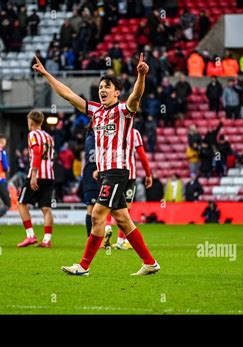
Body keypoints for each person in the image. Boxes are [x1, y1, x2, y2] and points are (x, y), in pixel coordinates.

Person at [32, 53, 159, 276]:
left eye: (107, 86)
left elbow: (136, 97)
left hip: (118, 171)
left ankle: (83, 266)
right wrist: (46, 75)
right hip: (106, 173)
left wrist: (141, 76)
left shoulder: (122, 111)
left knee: (98, 216)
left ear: (117, 92)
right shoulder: (95, 111)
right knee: (122, 219)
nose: (102, 89)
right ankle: (150, 262)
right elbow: (68, 95)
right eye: (101, 86)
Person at [17, 111, 55, 248]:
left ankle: (30, 236)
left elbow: (37, 153)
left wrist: (34, 174)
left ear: (31, 122)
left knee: (21, 203)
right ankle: (47, 239)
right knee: (46, 208)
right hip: (49, 175)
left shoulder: (32, 134)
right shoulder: (49, 137)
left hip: (37, 175)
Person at [112, 128, 153, 250]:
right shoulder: (135, 133)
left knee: (113, 208)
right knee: (126, 210)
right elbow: (142, 155)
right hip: (129, 177)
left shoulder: (113, 130)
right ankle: (123, 240)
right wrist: (148, 174)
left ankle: (119, 240)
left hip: (114, 175)